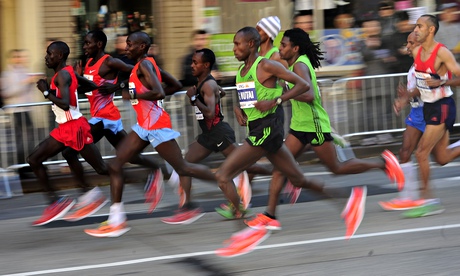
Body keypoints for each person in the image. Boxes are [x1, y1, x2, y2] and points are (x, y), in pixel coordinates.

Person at [213, 27, 366, 244]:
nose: (233, 49)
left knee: (223, 175)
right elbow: (250, 96)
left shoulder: (266, 65)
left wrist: (275, 101)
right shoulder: (241, 71)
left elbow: (303, 86)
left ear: (251, 44)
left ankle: (243, 230)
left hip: (266, 131)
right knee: (297, 178)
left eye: (237, 44)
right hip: (259, 128)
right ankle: (348, 201)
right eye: (233, 44)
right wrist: (240, 108)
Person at [243, 28, 403, 231]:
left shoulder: (300, 64)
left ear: (295, 48)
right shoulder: (293, 63)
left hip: (314, 124)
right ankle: (270, 216)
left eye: (284, 45)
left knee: (336, 167)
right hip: (299, 125)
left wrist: (278, 97)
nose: (280, 48)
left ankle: (383, 163)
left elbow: (308, 95)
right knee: (279, 169)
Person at [84, 32, 217, 238]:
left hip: (155, 125)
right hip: (143, 126)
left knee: (183, 167)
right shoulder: (145, 65)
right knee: (115, 165)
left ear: (142, 46)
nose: (126, 48)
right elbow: (174, 85)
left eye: (130, 44)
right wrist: (138, 95)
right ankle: (116, 219)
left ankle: (229, 179)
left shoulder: (145, 65)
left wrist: (139, 96)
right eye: (126, 44)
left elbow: (160, 92)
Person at [61, 30, 167, 221]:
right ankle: (155, 169)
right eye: (84, 43)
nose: (84, 46)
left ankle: (90, 195)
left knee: (70, 151)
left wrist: (118, 87)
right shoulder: (87, 64)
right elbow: (91, 89)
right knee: (132, 156)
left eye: (88, 43)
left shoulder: (110, 61)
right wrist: (78, 79)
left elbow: (135, 72)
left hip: (105, 117)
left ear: (99, 44)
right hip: (104, 118)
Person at [161, 48, 271, 224]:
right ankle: (187, 206)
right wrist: (212, 94)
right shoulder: (205, 82)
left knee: (244, 166)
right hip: (207, 135)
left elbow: (211, 114)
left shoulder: (207, 85)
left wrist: (193, 99)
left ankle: (278, 173)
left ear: (206, 65)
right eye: (192, 62)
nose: (192, 65)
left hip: (219, 133)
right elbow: (221, 91)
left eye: (195, 63)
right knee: (184, 166)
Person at [30, 41, 108, 226]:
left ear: (60, 56)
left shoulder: (63, 75)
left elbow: (65, 104)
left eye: (49, 54)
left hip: (73, 127)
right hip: (65, 127)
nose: (46, 57)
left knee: (102, 169)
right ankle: (64, 200)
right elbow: (90, 85)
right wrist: (73, 86)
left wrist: (46, 91)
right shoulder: (68, 73)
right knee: (39, 158)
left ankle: (148, 177)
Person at [401, 14, 460, 217]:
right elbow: (422, 82)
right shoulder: (418, 51)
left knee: (421, 153)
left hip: (442, 106)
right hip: (428, 107)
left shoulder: (441, 52)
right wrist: (405, 98)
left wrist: (442, 82)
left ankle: (428, 200)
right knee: (442, 158)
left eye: (419, 26)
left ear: (431, 30)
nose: (416, 29)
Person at [379, 32, 426, 211]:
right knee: (405, 152)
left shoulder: (425, 63)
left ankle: (418, 196)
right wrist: (404, 98)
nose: (407, 46)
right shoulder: (413, 66)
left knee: (440, 156)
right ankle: (408, 197)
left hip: (429, 111)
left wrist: (406, 96)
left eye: (411, 43)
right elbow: (414, 91)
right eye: (407, 42)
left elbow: (425, 87)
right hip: (417, 112)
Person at [0, 49, 38, 165]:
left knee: (29, 138)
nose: (19, 59)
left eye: (20, 56)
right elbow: (6, 93)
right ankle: (22, 165)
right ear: (11, 59)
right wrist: (25, 83)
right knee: (21, 139)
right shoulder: (6, 74)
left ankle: (29, 163)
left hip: (26, 109)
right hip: (16, 110)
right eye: (16, 57)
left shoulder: (25, 71)